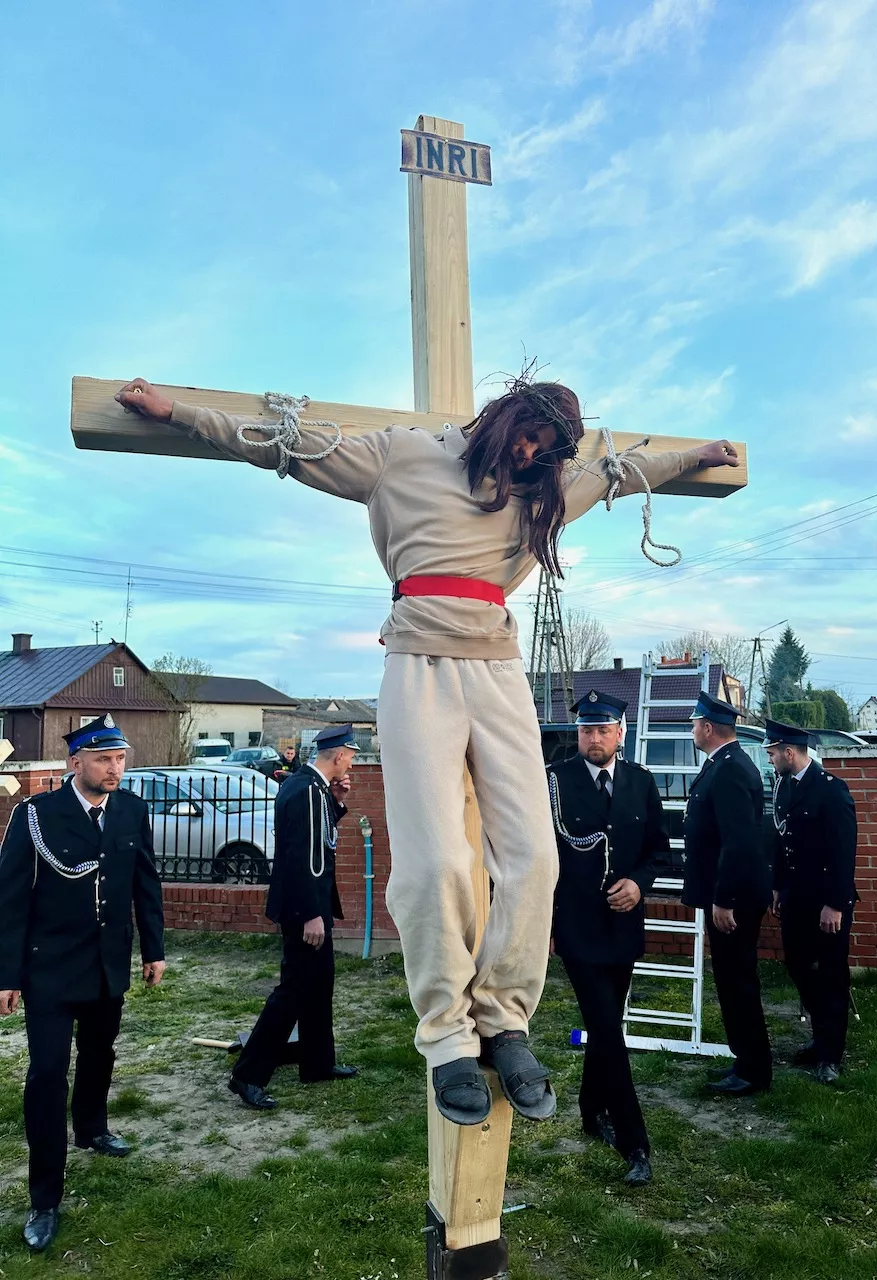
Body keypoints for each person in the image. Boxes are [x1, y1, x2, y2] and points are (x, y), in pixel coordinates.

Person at [115, 372, 738, 1126]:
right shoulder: (403, 454)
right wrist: (177, 413)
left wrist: (693, 457)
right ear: (503, 414)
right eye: (528, 434)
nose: (530, 452)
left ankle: (504, 1019)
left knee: (536, 859)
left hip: (499, 667)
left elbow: (620, 472)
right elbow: (286, 445)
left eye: (547, 448)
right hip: (419, 665)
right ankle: (447, 1034)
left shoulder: (540, 492)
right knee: (435, 862)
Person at [0, 714, 165, 1253]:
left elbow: (145, 882)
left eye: (120, 758)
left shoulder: (131, 809)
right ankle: (45, 1197)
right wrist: (6, 974)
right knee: (48, 1074)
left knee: (100, 1052)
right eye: (102, 759)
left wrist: (154, 949)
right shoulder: (37, 815)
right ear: (75, 762)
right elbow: (10, 899)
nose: (115, 769)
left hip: (107, 964)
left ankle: (91, 1128)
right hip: (48, 967)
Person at [548, 690, 670, 1187]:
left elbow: (658, 850)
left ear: (621, 733)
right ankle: (633, 1142)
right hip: (577, 928)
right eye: (585, 730)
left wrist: (639, 883)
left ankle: (588, 1109)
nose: (593, 739)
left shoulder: (640, 781)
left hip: (623, 927)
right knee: (607, 1029)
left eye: (602, 730)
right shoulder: (554, 781)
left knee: (605, 1025)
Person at [229, 725, 358, 1109]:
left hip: (312, 904)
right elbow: (301, 857)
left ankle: (317, 1063)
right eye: (350, 757)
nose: (351, 764)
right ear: (338, 755)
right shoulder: (305, 790)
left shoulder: (313, 787)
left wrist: (336, 802)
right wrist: (310, 914)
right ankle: (247, 1075)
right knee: (294, 991)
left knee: (319, 985)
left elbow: (318, 837)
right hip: (305, 909)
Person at [682, 691, 771, 1096]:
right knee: (732, 980)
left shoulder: (732, 768)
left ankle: (753, 1069)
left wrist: (724, 899)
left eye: (695, 724)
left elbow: (738, 843)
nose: (692, 730)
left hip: (733, 899)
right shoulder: (722, 763)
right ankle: (746, 1060)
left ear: (708, 727)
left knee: (738, 981)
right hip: (726, 893)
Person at [764, 719, 858, 1085]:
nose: (770, 759)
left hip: (826, 900)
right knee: (798, 966)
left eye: (773, 753)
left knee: (831, 974)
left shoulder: (831, 789)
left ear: (789, 752)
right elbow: (780, 840)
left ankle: (831, 1054)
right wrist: (777, 887)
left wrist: (835, 904)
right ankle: (821, 1035)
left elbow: (843, 851)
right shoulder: (784, 786)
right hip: (796, 898)